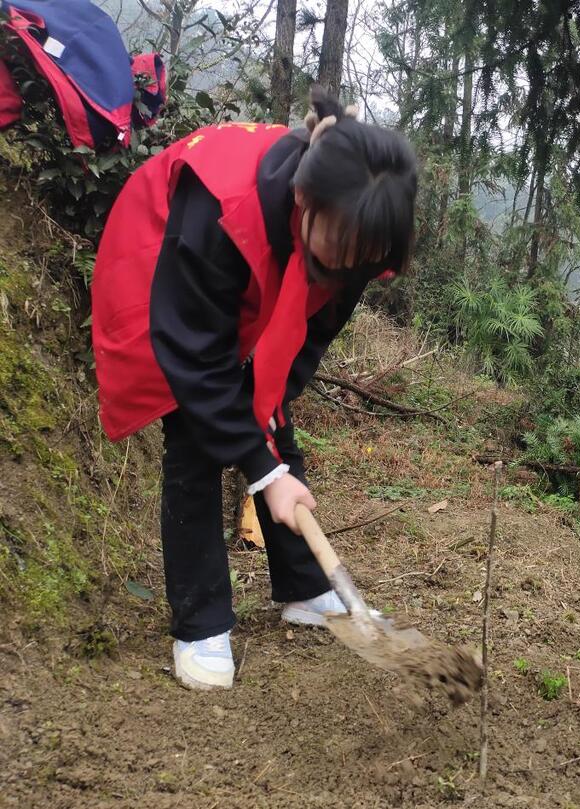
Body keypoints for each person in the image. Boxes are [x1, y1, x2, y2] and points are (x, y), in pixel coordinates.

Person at [92, 88, 418, 691]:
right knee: (195, 436)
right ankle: (201, 623)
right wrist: (261, 473)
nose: (351, 274)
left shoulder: (353, 240)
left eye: (363, 264)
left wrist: (268, 421)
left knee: (270, 425)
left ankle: (303, 587)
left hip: (260, 278)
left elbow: (311, 334)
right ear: (303, 199)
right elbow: (195, 355)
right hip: (163, 267)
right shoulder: (222, 203)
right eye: (342, 257)